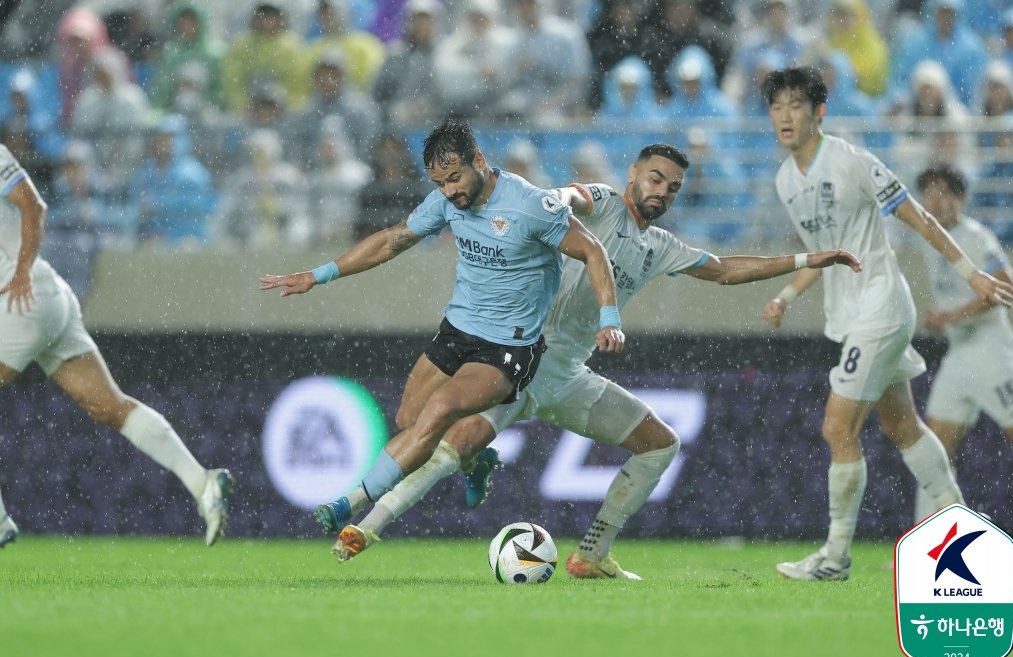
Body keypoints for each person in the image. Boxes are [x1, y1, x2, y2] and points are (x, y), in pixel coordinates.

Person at [310, 142, 861, 577]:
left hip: (567, 378)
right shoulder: (597, 201)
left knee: (660, 444)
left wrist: (809, 258)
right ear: (632, 175)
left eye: (672, 186)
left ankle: (592, 552)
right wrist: (554, 202)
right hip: (519, 357)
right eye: (654, 178)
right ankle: (367, 527)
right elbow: (565, 198)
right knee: (450, 443)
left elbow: (725, 269)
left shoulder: (661, 245)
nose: (662, 190)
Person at [259, 118, 623, 561]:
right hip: (456, 331)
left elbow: (592, 250)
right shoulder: (446, 203)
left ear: (479, 161)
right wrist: (318, 275)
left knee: (440, 409)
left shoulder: (530, 206)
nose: (450, 191)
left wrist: (609, 317)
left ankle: (349, 504)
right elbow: (392, 241)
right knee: (409, 420)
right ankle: (476, 460)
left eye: (455, 178)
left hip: (509, 347)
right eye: (440, 182)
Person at [758, 67, 1012, 581]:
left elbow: (920, 217)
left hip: (881, 307)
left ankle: (833, 557)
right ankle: (958, 522)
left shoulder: (852, 161)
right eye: (777, 106)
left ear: (819, 112)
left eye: (796, 105)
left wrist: (973, 275)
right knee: (902, 425)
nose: (785, 115)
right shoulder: (786, 180)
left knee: (837, 426)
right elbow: (825, 252)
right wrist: (786, 293)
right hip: (852, 314)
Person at [0, 143, 232, 550]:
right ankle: (202, 482)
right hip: (48, 295)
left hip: (22, 295)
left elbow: (34, 206)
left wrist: (20, 270)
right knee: (109, 405)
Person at [914, 165, 1013, 519]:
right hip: (960, 353)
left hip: (994, 351)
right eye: (929, 192)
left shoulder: (976, 236)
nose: (935, 200)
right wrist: (942, 320)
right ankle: (928, 540)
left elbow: (1008, 286)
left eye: (944, 192)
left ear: (961, 199)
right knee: (935, 447)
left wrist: (951, 316)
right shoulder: (929, 237)